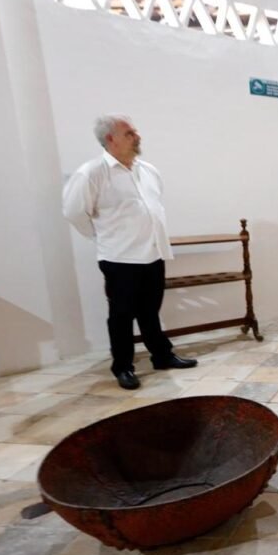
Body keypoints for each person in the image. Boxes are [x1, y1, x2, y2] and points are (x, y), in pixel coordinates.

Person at [63, 115, 197, 390]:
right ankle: (123, 366)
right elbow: (74, 212)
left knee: (150, 312)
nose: (137, 136)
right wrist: (102, 237)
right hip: (120, 258)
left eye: (135, 132)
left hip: (153, 254)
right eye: (129, 133)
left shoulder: (147, 170)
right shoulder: (91, 173)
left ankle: (162, 356)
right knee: (121, 316)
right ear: (110, 139)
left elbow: (154, 205)